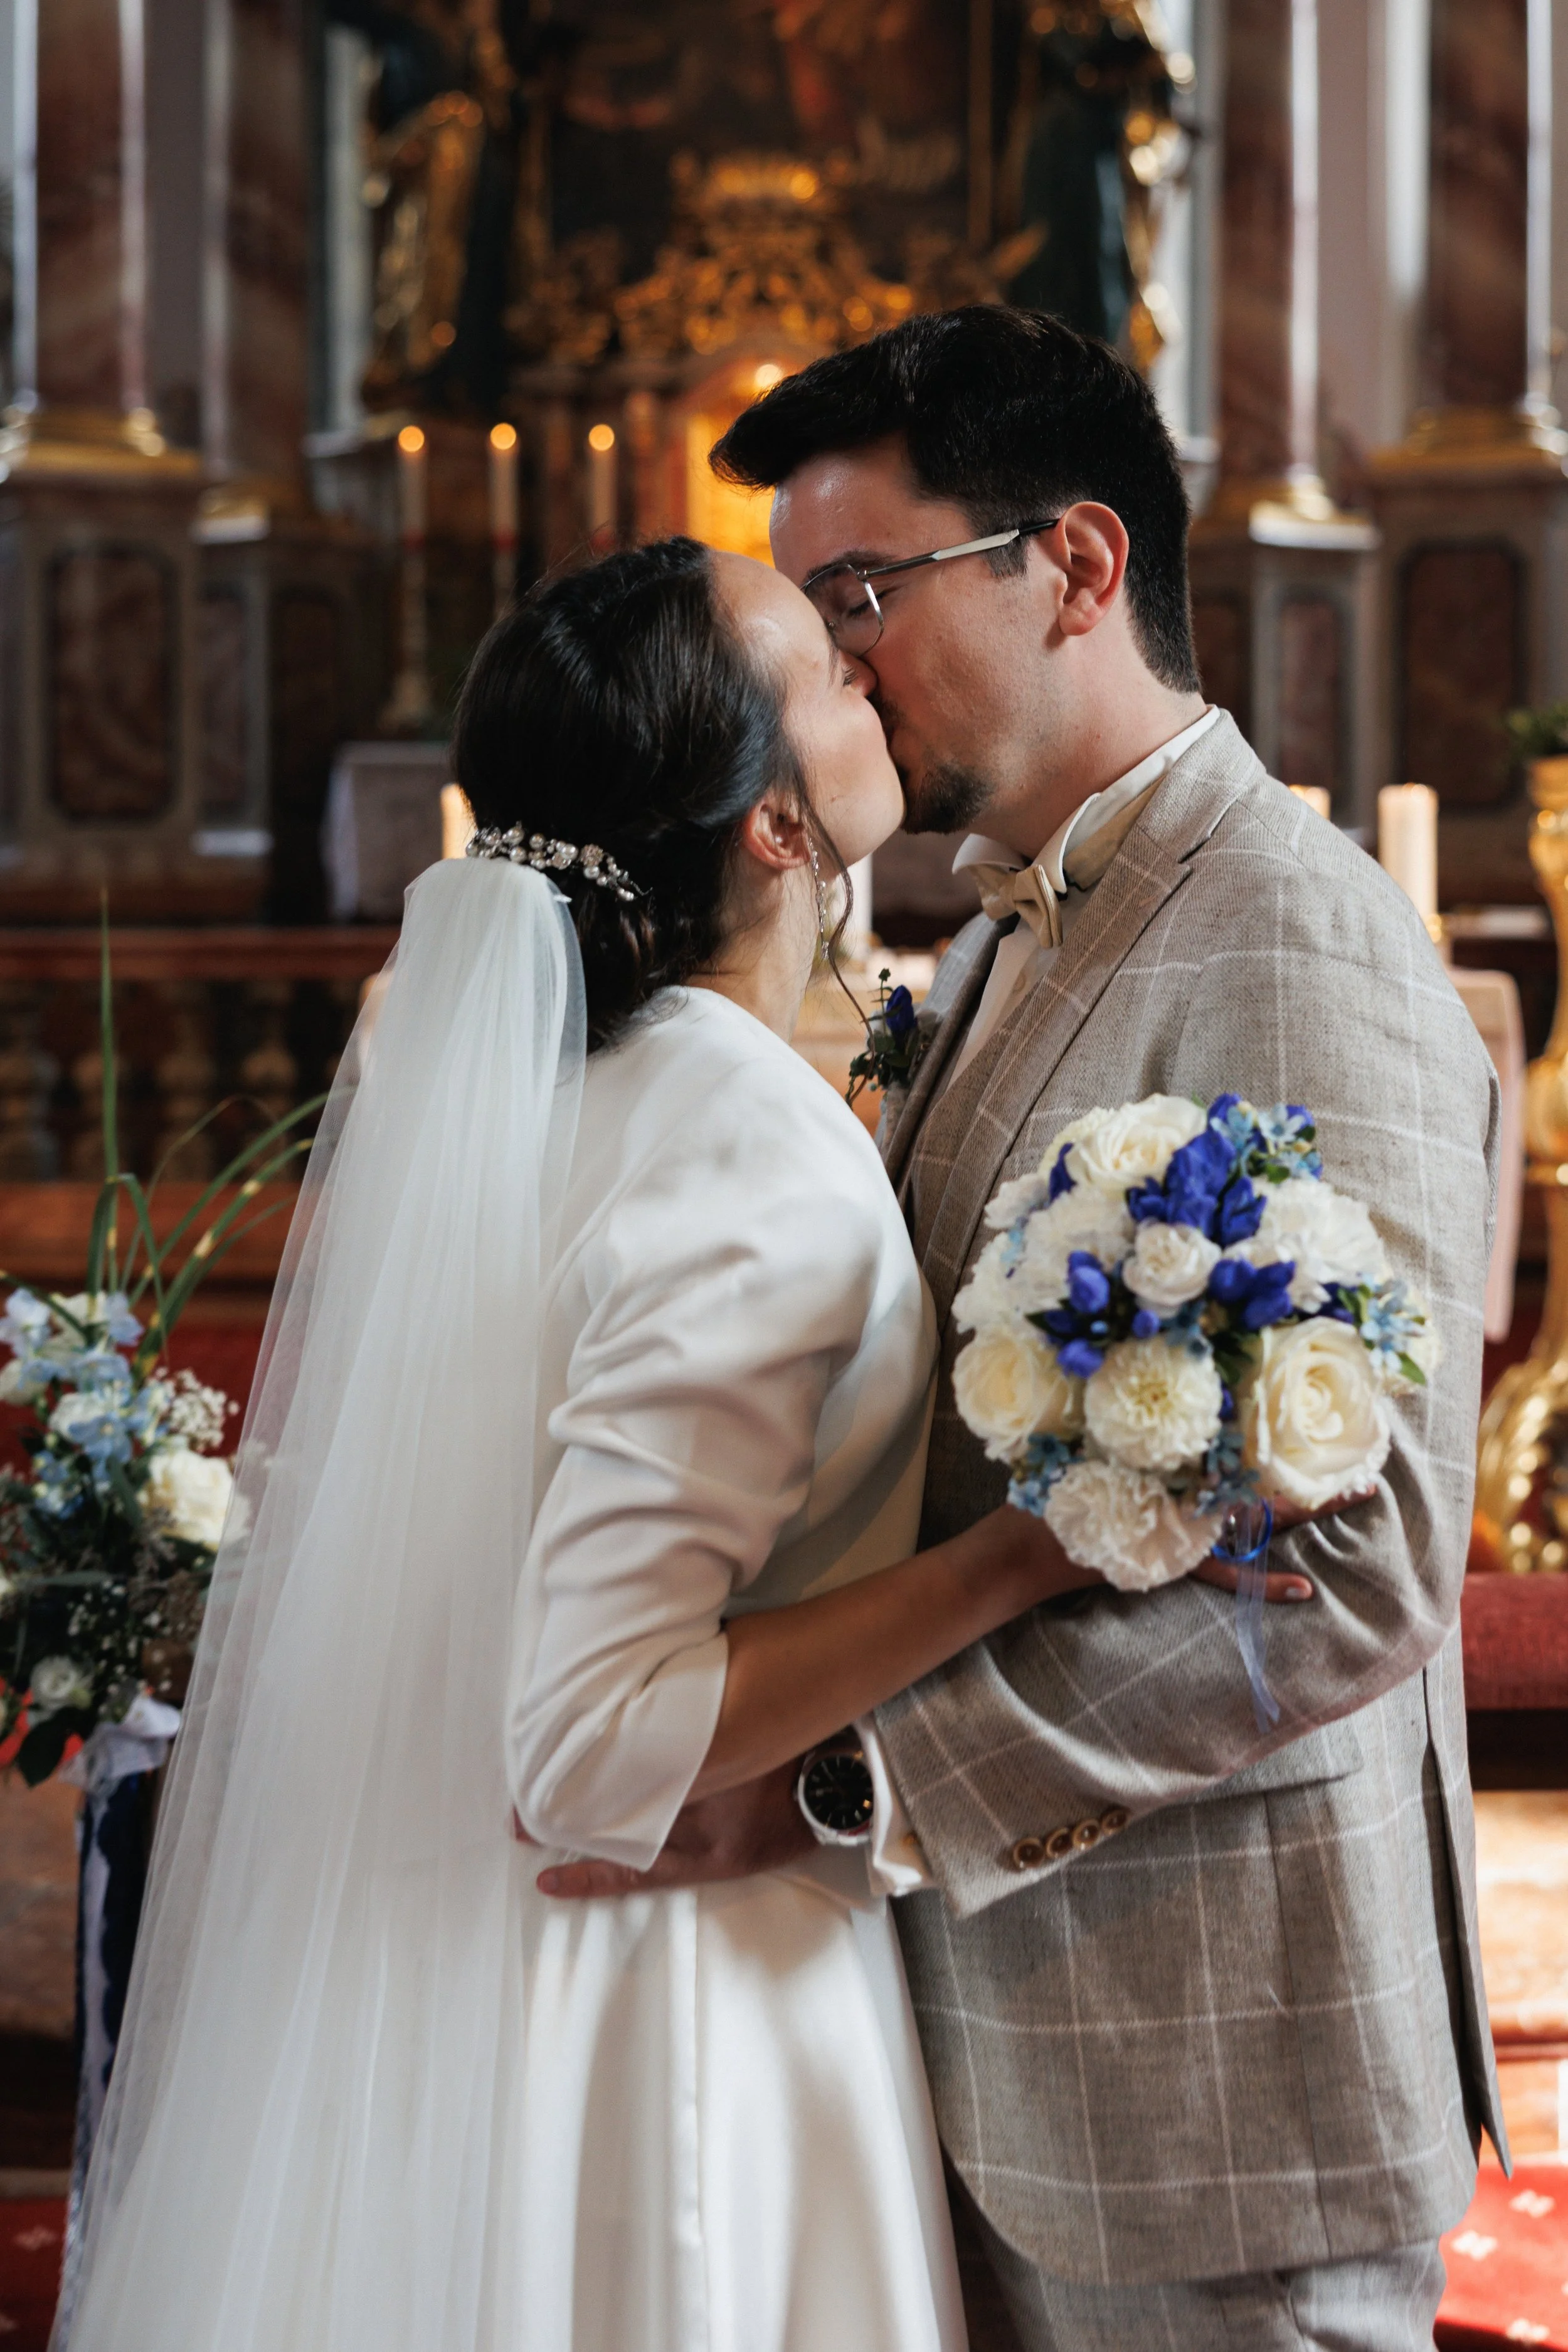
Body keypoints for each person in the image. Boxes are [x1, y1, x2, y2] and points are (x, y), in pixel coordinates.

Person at [56, 534, 1303, 2352]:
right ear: (776, 830)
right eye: (818, 666)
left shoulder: (590, 1092)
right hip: (671, 2004)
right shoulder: (733, 1144)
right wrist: (1027, 1548)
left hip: (523, 1974)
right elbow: (586, 1740)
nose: (869, 672)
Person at [541, 310, 1507, 2352]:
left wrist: (848, 1783)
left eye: (860, 594)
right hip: (989, 2047)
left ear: (1072, 566)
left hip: (1213, 2081)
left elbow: (1362, 1553)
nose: (831, 662)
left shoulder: (1294, 933)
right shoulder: (996, 921)